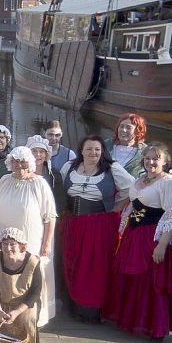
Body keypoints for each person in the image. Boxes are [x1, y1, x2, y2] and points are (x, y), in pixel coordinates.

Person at [105, 143, 172, 342]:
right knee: (132, 278)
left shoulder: (169, 183)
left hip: (153, 236)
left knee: (151, 282)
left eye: (156, 158)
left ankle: (155, 327)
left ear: (165, 162)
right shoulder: (141, 179)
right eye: (148, 158)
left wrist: (162, 245)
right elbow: (132, 204)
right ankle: (132, 321)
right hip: (134, 234)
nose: (151, 162)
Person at [59, 135, 133, 323]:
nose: (93, 153)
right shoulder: (69, 167)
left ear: (102, 151)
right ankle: (73, 305)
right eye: (89, 149)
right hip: (72, 223)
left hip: (99, 225)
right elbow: (59, 188)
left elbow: (132, 188)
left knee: (94, 267)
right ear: (81, 150)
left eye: (97, 149)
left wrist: (116, 207)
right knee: (72, 262)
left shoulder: (112, 168)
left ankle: (91, 310)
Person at [0, 146, 57, 327]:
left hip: (30, 238)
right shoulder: (4, 180)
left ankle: (32, 315)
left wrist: (47, 244)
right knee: (6, 273)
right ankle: (5, 312)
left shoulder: (39, 183)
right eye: (16, 161)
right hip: (3, 240)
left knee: (30, 272)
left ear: (30, 163)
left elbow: (50, 217)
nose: (19, 165)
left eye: (23, 161)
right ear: (10, 162)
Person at [0, 227, 44, 343]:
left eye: (13, 244)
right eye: (5, 244)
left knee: (28, 319)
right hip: (2, 302)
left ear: (21, 245)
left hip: (25, 304)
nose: (8, 248)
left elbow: (35, 293)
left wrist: (16, 312)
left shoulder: (32, 262)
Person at [106, 113, 148, 178]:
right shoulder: (105, 145)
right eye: (121, 126)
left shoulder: (145, 151)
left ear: (138, 131)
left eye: (129, 127)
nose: (124, 130)